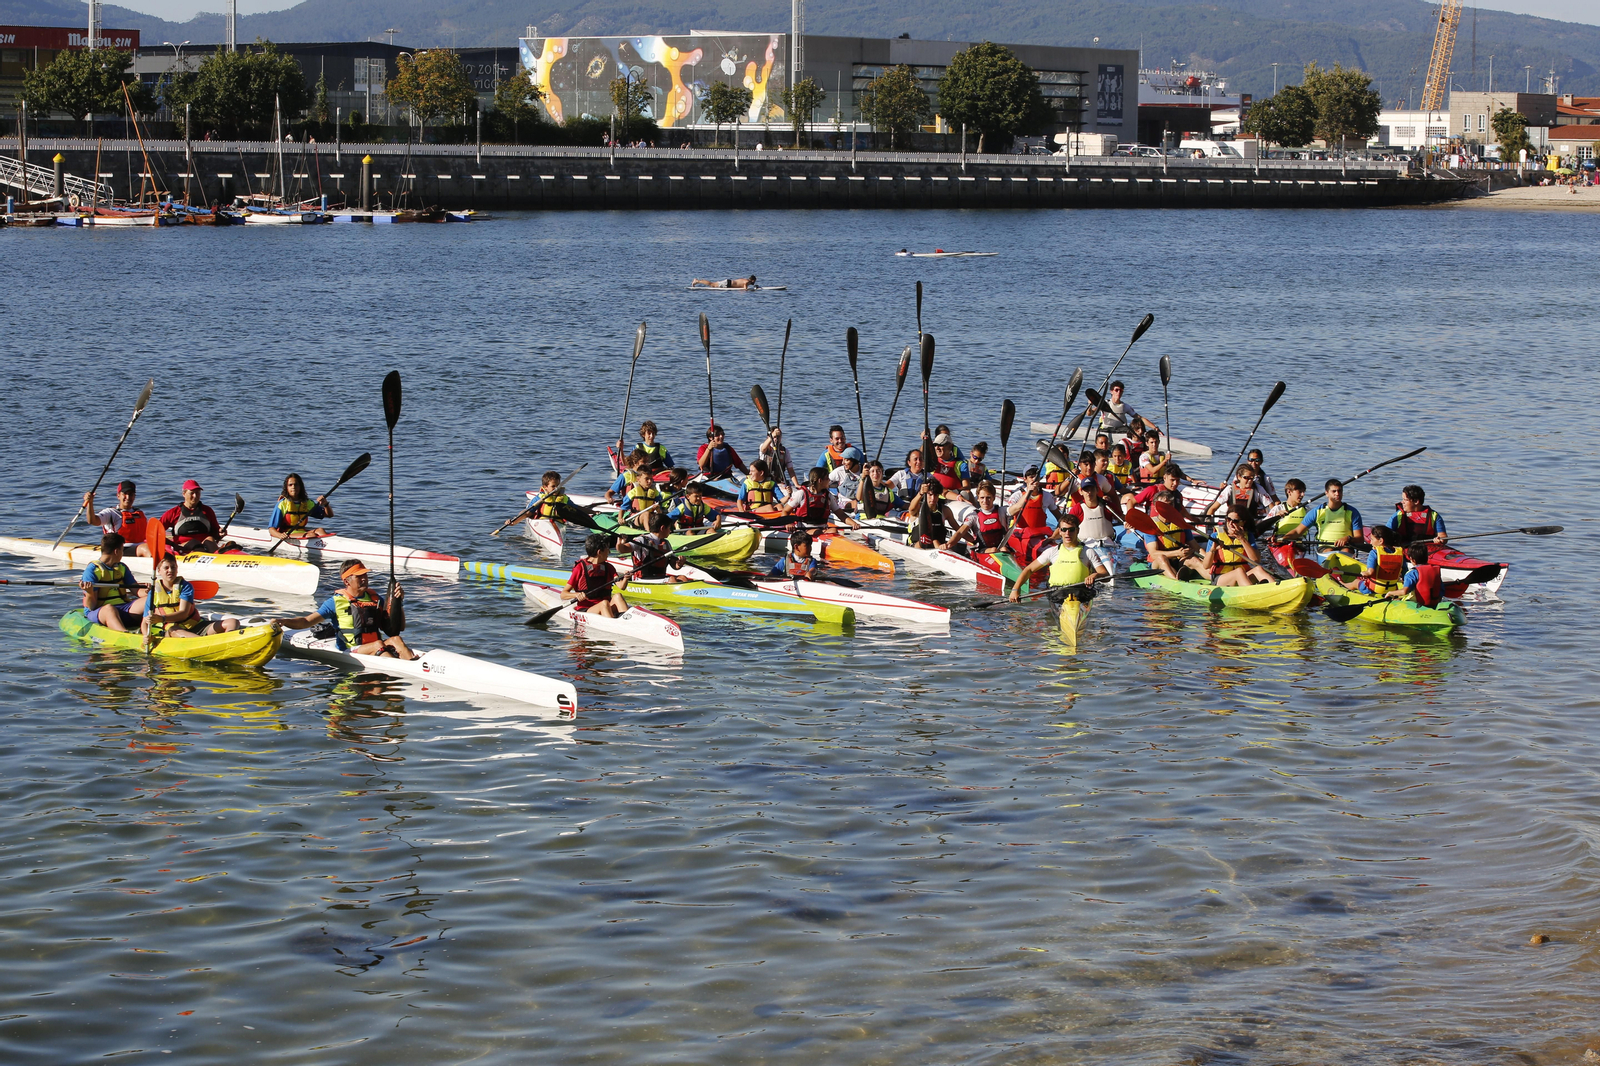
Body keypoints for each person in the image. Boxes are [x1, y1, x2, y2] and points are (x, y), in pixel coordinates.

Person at [276, 560, 414, 659]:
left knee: (396, 640)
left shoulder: (375, 599)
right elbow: (306, 622)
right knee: (378, 644)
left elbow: (397, 628)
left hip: (376, 646)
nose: (364, 578)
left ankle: (412, 664)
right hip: (350, 649)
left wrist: (398, 602)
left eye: (365, 574)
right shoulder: (335, 602)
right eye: (359, 576)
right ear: (347, 581)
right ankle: (400, 670)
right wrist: (284, 621)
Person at [1008, 515, 1110, 602]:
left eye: (1071, 530)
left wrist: (1095, 575)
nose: (1067, 533)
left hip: (1081, 594)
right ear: (1059, 532)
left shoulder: (1088, 552)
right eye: (1064, 530)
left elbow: (1106, 576)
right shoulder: (1052, 552)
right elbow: (1029, 569)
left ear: (1077, 530)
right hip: (1057, 595)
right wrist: (1015, 590)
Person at [142, 552, 240, 640]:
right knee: (174, 630)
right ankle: (205, 643)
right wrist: (146, 636)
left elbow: (183, 613)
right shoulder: (153, 592)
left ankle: (227, 640)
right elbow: (145, 622)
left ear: (177, 569)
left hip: (196, 626)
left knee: (233, 622)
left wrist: (162, 618)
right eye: (166, 568)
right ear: (159, 570)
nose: (170, 570)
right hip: (174, 631)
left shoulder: (185, 586)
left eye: (173, 567)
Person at [79, 532, 146, 632]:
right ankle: (124, 633)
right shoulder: (92, 571)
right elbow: (91, 606)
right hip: (100, 610)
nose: (122, 554)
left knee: (150, 598)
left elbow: (136, 591)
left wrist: (148, 592)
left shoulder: (122, 567)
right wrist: (89, 592)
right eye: (122, 550)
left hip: (124, 608)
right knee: (110, 609)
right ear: (116, 551)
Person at [1144, 489, 1211, 580]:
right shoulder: (1150, 525)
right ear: (1156, 508)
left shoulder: (1181, 523)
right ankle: (1176, 581)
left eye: (1170, 505)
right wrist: (1177, 553)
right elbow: (1153, 554)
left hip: (1179, 560)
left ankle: (1217, 579)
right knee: (1161, 558)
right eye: (1163, 505)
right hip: (1158, 562)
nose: (1167, 508)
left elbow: (1196, 547)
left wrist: (1209, 559)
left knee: (1193, 559)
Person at [1203, 510, 1278, 586]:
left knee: (1258, 569)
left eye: (1235, 521)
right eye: (1228, 519)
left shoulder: (1248, 536)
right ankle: (1252, 593)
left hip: (1244, 575)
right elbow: (1206, 566)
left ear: (1243, 522)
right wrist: (1213, 549)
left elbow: (1255, 561)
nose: (1231, 523)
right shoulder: (1215, 536)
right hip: (1221, 578)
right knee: (1239, 572)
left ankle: (1275, 589)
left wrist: (1242, 539)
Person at [1005, 465, 1062, 565]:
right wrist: (1027, 493)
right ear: (1025, 479)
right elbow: (1010, 513)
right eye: (1031, 477)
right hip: (1020, 536)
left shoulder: (1047, 496)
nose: (1034, 479)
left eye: (1036, 477)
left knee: (1057, 553)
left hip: (1039, 536)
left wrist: (1057, 534)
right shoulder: (1017, 496)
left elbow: (1060, 518)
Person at [563, 534, 630, 617]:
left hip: (606, 607)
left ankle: (628, 620)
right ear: (599, 552)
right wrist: (576, 595)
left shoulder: (609, 567)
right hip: (587, 609)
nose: (609, 552)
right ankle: (613, 626)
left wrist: (626, 578)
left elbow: (621, 586)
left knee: (618, 596)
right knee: (604, 604)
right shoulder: (580, 568)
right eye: (607, 549)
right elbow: (563, 594)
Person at [1288, 479, 1365, 550]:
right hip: (1325, 547)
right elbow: (1298, 531)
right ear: (1327, 493)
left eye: (1339, 491)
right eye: (1334, 491)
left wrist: (1348, 539)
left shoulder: (1352, 512)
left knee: (1346, 551)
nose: (1337, 494)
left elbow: (1360, 539)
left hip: (1346, 546)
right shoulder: (1317, 512)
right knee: (1329, 551)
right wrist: (1283, 539)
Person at [160, 480, 230, 554]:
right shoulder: (173, 513)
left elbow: (215, 532)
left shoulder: (207, 511)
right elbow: (156, 533)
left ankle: (218, 557)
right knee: (195, 543)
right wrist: (172, 545)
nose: (195, 496)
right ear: (184, 494)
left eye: (197, 493)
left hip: (206, 544)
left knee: (210, 539)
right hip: (183, 546)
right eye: (192, 493)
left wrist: (220, 533)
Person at [84, 479, 150, 554]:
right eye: (125, 494)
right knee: (146, 549)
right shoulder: (111, 513)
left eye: (131, 494)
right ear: (118, 496)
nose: (128, 497)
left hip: (141, 548)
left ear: (134, 496)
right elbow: (92, 521)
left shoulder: (139, 513)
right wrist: (90, 503)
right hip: (118, 551)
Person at [1069, 480, 1122, 574]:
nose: (1089, 493)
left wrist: (1128, 523)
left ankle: (1109, 575)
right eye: (1086, 490)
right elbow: (1066, 526)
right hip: (1087, 547)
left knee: (1110, 569)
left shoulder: (1107, 506)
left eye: (1091, 490)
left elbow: (1122, 519)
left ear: (1097, 490)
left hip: (1107, 546)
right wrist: (1052, 538)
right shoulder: (1077, 509)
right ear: (1081, 492)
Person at [1339, 523, 1405, 595]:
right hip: (1392, 588)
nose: (1370, 542)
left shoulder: (1374, 552)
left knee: (1356, 582)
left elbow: (1370, 572)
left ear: (1381, 541)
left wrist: (1364, 573)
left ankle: (1342, 586)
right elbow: (1403, 571)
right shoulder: (1399, 553)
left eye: (1372, 539)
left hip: (1373, 589)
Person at [946, 479, 1009, 555]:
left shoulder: (1002, 510)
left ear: (994, 498)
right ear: (978, 499)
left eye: (988, 497)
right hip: (982, 550)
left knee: (1004, 548)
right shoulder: (973, 516)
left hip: (1002, 548)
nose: (985, 501)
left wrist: (1027, 492)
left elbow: (1017, 507)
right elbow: (960, 532)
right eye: (982, 498)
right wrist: (948, 544)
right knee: (994, 549)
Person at [628, 511, 692, 583]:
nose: (670, 531)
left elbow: (674, 566)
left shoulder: (666, 543)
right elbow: (623, 549)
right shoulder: (642, 540)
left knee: (683, 578)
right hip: (642, 579)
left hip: (659, 578)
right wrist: (619, 543)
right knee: (672, 580)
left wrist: (679, 563)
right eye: (669, 528)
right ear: (662, 528)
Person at [1204, 465, 1267, 539]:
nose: (1250, 481)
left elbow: (1272, 507)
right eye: (1246, 478)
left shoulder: (1258, 489)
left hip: (1248, 529)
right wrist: (1208, 525)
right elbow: (1212, 509)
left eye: (1252, 478)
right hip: (1231, 527)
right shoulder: (1229, 489)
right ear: (1239, 477)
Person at [268, 473, 333, 540]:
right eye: (290, 485)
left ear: (300, 487)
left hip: (303, 532)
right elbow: (271, 529)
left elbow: (329, 515)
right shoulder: (282, 504)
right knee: (311, 535)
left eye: (296, 484)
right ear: (286, 488)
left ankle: (330, 546)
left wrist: (325, 504)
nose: (293, 487)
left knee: (320, 530)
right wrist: (280, 535)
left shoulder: (307, 503)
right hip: (287, 534)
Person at [1089, 380, 1158, 436]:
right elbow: (1089, 413)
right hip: (1106, 430)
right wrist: (1090, 405)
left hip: (1121, 430)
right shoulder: (1104, 404)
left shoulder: (1125, 406)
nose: (1119, 392)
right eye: (1116, 390)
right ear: (1111, 391)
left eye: (1121, 391)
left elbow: (1140, 418)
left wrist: (1154, 428)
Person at [905, 476, 955, 549]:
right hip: (917, 547)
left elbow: (958, 530)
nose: (933, 498)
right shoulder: (918, 509)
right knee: (932, 541)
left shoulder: (945, 510)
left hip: (938, 547)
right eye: (930, 494)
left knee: (935, 541)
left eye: (936, 495)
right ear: (925, 494)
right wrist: (920, 493)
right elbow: (911, 508)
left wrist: (973, 541)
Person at [1397, 543, 1444, 607]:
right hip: (1433, 604)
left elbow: (1404, 592)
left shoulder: (1411, 573)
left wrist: (1390, 593)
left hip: (1414, 605)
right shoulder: (1435, 572)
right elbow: (1441, 591)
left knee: (1396, 599)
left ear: (1412, 559)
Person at [691, 275, 758, 289]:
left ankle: (697, 281)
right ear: (753, 280)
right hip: (728, 283)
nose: (754, 283)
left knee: (713, 284)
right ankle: (697, 281)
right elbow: (745, 285)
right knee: (712, 285)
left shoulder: (745, 279)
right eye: (754, 281)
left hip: (728, 283)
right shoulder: (747, 281)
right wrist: (746, 289)